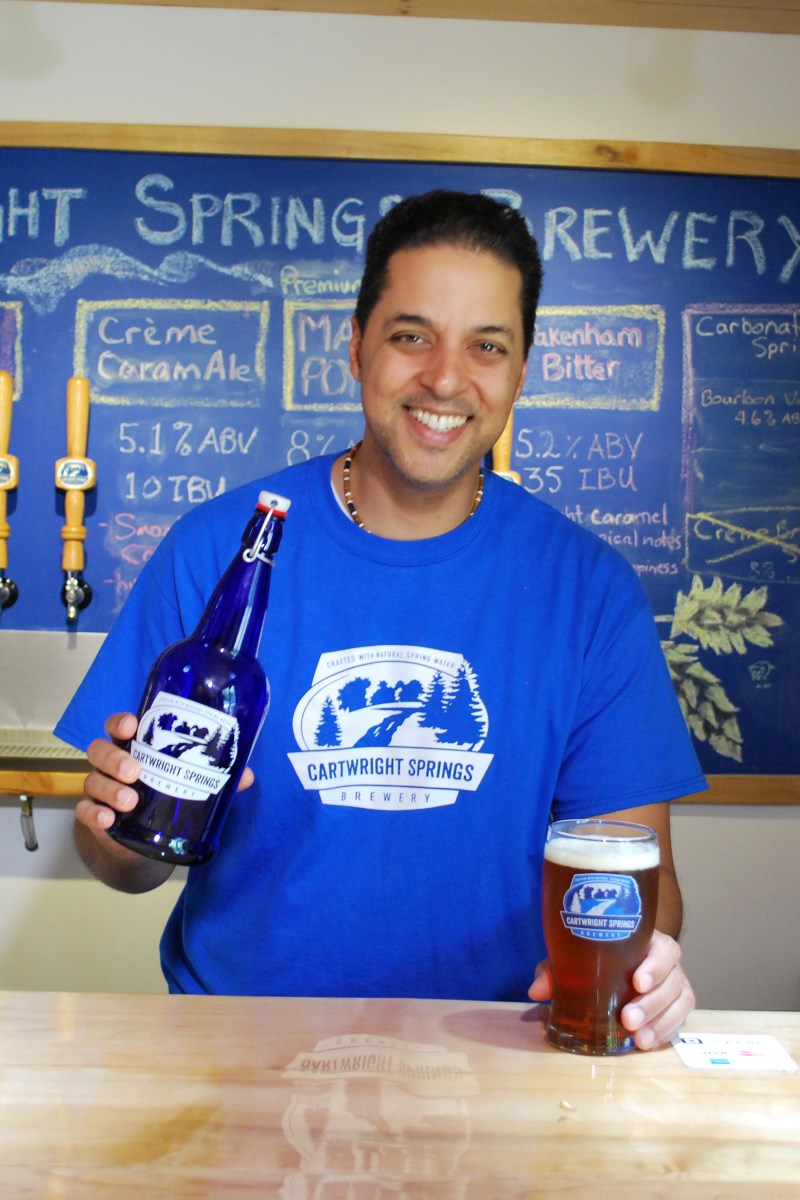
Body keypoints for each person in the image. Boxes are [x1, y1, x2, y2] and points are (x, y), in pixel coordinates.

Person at [56, 190, 706, 1049]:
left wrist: (649, 975)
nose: (445, 378)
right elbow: (121, 864)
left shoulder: (590, 590)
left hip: (504, 1055)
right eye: (412, 335)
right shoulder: (218, 550)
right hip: (236, 1051)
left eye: (487, 346)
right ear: (356, 345)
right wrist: (120, 830)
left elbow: (648, 891)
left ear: (521, 369)